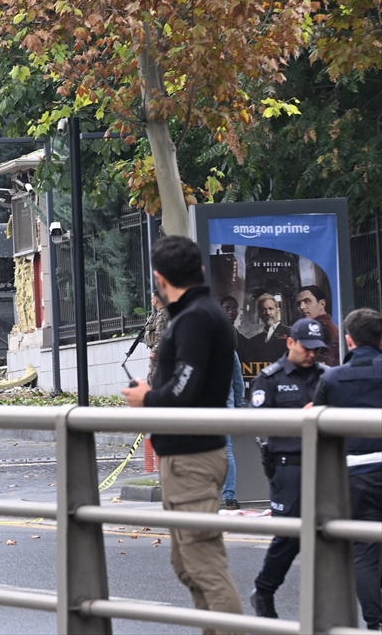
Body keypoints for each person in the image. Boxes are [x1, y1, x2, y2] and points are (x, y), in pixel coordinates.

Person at [122, 235, 242, 626]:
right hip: (187, 456)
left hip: (193, 459)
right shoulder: (201, 313)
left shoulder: (194, 318)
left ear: (159, 278)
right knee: (187, 564)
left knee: (204, 566)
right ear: (201, 271)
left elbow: (184, 388)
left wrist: (146, 397)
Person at [246, 317, 328, 617]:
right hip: (289, 465)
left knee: (333, 531)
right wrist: (301, 418)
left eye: (316, 350)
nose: (311, 354)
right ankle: (264, 591)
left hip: (325, 464)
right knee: (290, 535)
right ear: (290, 342)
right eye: (306, 348)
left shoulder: (326, 375)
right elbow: (257, 422)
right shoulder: (270, 378)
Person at [311, 308, 382, 630]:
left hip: (355, 473)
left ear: (349, 341)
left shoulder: (332, 378)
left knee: (364, 553)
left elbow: (318, 424)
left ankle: (376, 623)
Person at [220, 295, 246, 510]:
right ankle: (229, 496)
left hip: (200, 412)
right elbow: (238, 382)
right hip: (225, 409)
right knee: (226, 451)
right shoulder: (229, 351)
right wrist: (239, 406)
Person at [296, 284, 340, 366]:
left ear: (322, 304)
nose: (302, 307)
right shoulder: (329, 327)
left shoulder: (320, 329)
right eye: (299, 303)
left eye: (307, 301)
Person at [246, 293, 289, 367]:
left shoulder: (290, 334)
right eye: (264, 310)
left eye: (271, 309)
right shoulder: (253, 341)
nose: (268, 313)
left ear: (277, 311)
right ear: (259, 314)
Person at [145, 291, 169, 387]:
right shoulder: (161, 314)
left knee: (153, 379)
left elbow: (161, 336)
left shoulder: (162, 316)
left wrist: (154, 351)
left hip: (160, 353)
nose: (151, 301)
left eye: (152, 298)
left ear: (156, 300)